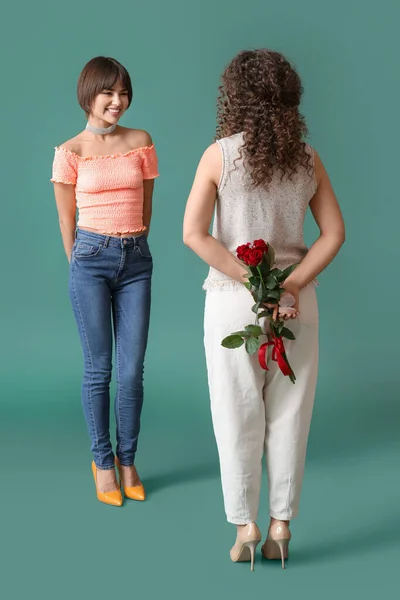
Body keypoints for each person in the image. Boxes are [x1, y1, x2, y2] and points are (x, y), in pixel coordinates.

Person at [183, 49, 344, 569]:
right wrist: (289, 285)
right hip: (299, 304)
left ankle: (244, 526)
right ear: (289, 98)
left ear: (236, 97)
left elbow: (194, 235)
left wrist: (255, 284)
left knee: (236, 417)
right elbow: (334, 234)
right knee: (290, 416)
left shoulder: (219, 156)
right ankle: (280, 525)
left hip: (234, 304)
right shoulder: (306, 157)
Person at [51, 56, 159, 506]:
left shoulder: (141, 141)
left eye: (123, 92)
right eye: (108, 93)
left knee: (132, 371)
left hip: (136, 259)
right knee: (100, 369)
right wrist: (83, 263)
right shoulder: (69, 151)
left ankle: (128, 460)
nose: (118, 101)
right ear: (88, 95)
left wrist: (131, 247)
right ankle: (102, 461)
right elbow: (66, 220)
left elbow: (147, 207)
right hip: (90, 260)